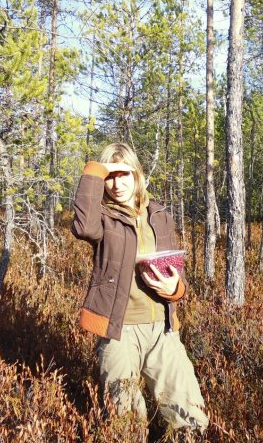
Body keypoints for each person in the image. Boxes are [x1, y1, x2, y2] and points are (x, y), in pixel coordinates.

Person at [71, 142, 209, 434]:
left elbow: (177, 275)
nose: (117, 184)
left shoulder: (159, 216)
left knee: (189, 415)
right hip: (118, 331)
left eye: (124, 174)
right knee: (125, 422)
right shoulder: (103, 218)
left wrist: (175, 288)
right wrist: (97, 169)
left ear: (137, 174)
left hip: (163, 329)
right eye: (110, 176)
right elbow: (82, 227)